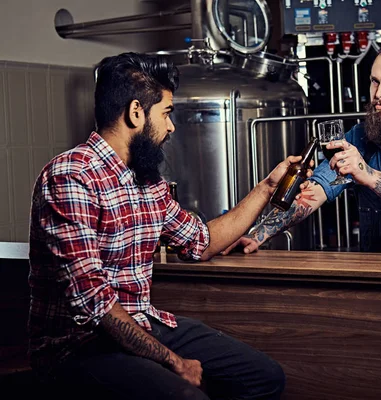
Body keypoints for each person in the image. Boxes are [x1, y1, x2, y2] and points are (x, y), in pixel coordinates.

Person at [28, 52, 303, 399]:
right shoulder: (71, 176)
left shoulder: (147, 181)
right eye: (167, 113)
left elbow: (201, 242)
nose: (172, 127)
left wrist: (267, 187)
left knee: (264, 376)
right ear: (136, 113)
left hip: (144, 323)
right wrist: (174, 362)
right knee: (187, 396)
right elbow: (95, 303)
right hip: (79, 349)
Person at [224, 41, 381, 255]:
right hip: (376, 272)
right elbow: (315, 192)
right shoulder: (359, 138)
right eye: (375, 82)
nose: (379, 93)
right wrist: (257, 235)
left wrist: (367, 175)